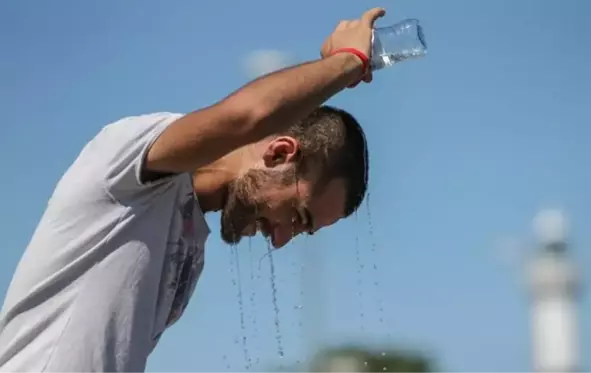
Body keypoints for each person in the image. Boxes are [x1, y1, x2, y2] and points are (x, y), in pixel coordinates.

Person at [0, 7, 385, 373]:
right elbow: (246, 117)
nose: (281, 239)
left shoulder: (190, 246)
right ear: (279, 153)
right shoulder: (129, 161)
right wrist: (348, 61)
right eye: (298, 216)